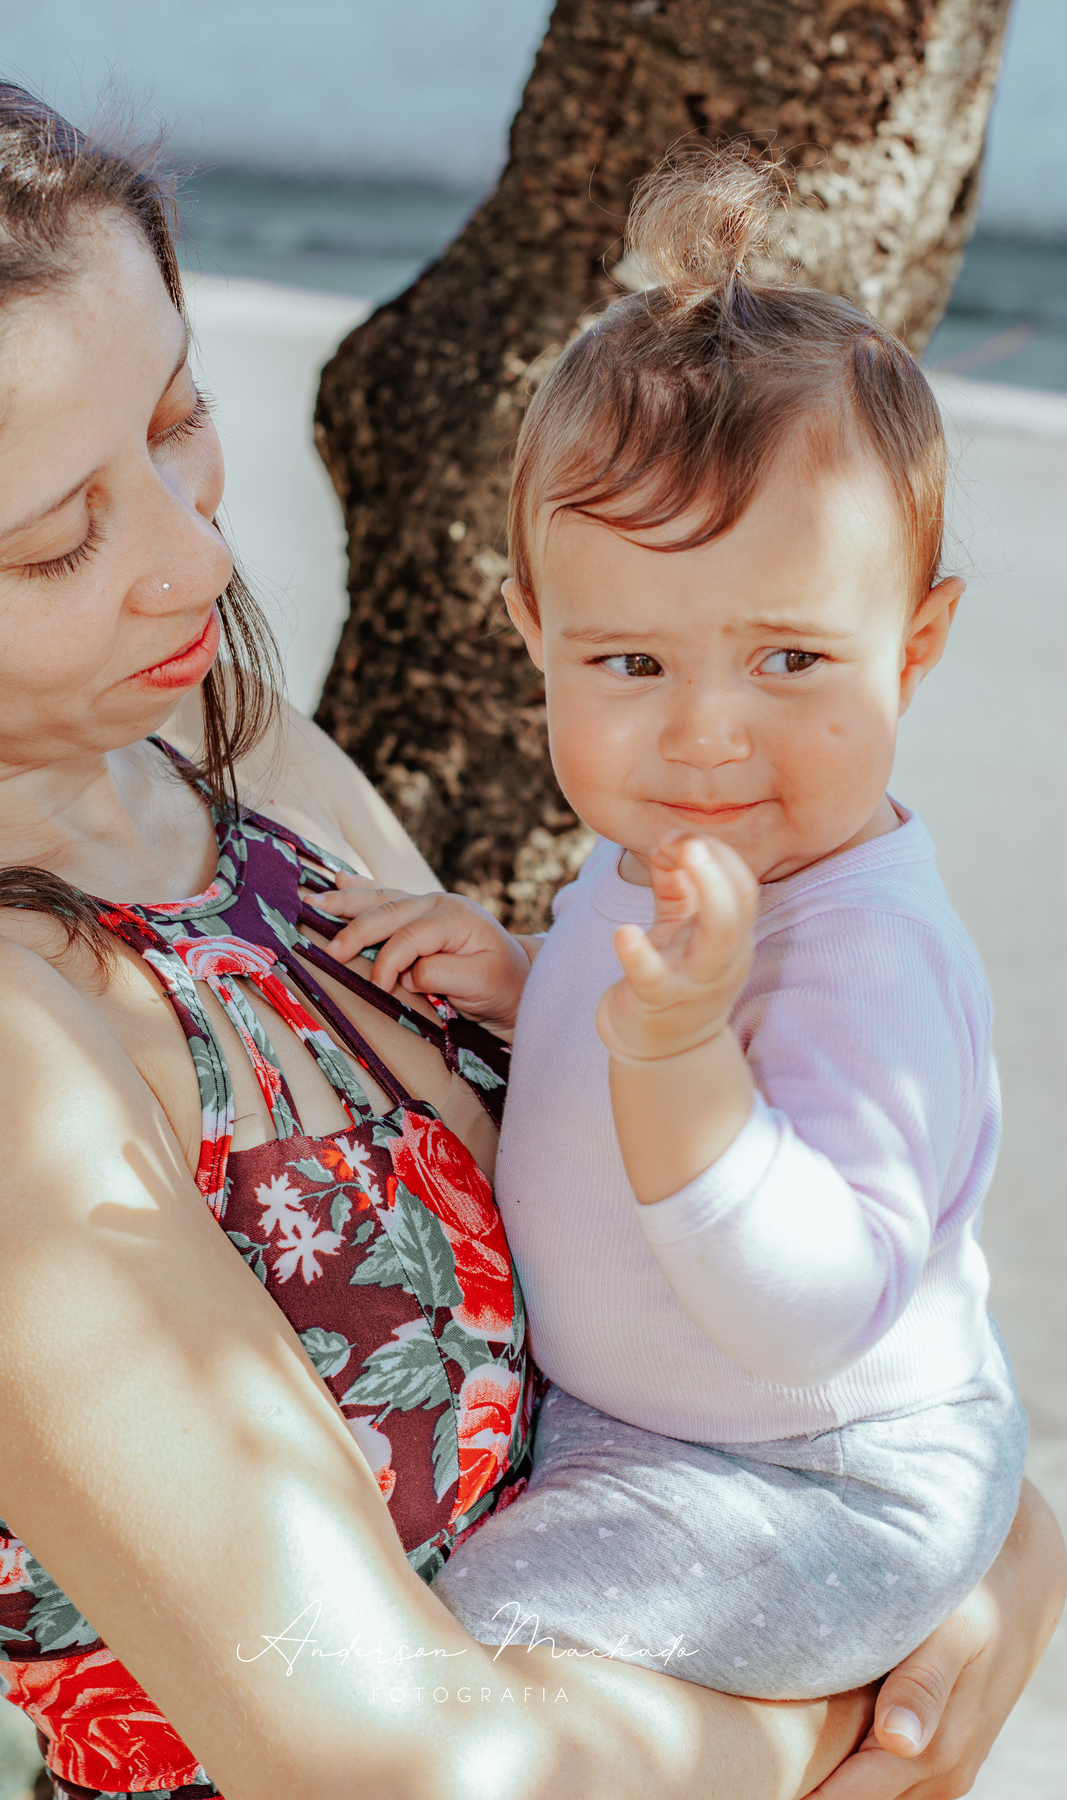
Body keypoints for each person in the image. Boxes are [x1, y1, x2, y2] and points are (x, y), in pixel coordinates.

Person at [0, 28, 1060, 1800]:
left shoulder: (213, 748)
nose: (199, 559)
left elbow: (780, 1227)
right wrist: (860, 1708)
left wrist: (990, 1545)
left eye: (178, 420)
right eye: (58, 541)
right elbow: (403, 1764)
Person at [320, 155, 1045, 1702]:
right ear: (536, 635)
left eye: (790, 660)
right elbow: (664, 1056)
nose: (707, 736)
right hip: (656, 1433)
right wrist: (531, 985)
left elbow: (807, 1310)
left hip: (823, 1480)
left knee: (456, 1658)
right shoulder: (672, 858)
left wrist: (670, 1049)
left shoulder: (869, 955)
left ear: (914, 646)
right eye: (633, 664)